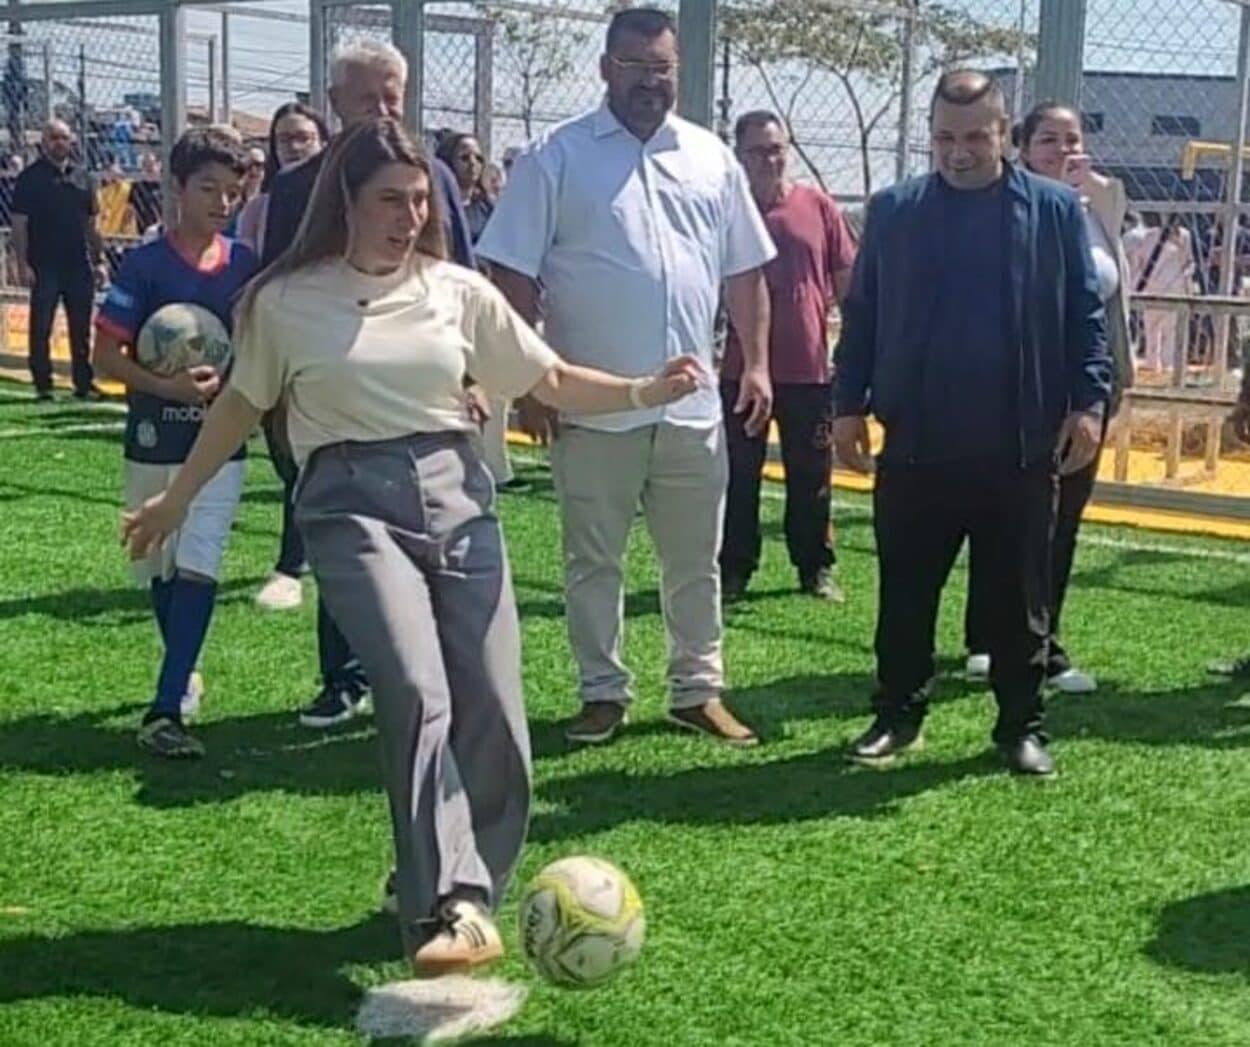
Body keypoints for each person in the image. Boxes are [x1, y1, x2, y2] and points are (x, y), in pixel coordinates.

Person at [121, 116, 704, 974]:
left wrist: (645, 388)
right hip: (346, 503)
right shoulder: (285, 301)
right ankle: (443, 909)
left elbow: (548, 377)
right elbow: (242, 405)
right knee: (414, 685)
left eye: (421, 199)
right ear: (346, 204)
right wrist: (176, 496)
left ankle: (466, 890)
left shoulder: (455, 291)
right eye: (390, 199)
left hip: (456, 495)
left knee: (496, 708)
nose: (408, 215)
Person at [478, 6, 775, 747]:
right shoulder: (557, 156)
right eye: (637, 67)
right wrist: (528, 380)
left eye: (664, 69)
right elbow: (508, 271)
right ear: (606, 68)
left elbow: (745, 273)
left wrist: (757, 362)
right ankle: (602, 692)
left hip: (693, 405)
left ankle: (696, 689)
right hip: (588, 404)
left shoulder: (711, 158)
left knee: (693, 561)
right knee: (592, 560)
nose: (652, 81)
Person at [832, 71, 1110, 776]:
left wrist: (1088, 402)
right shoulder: (894, 211)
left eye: (975, 137)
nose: (959, 152)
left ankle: (1020, 726)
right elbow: (861, 315)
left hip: (1020, 445)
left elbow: (1086, 315)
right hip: (919, 444)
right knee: (906, 594)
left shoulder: (1052, 211)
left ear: (1003, 131)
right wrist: (846, 407)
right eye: (944, 138)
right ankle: (898, 715)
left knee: (1021, 601)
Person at [259, 39, 478, 728]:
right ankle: (344, 677)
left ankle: (429, 679)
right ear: (334, 104)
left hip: (421, 393)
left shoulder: (432, 176)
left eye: (393, 96)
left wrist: (470, 375)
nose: (384, 110)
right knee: (345, 534)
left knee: (435, 536)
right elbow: (274, 292)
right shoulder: (297, 188)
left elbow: (463, 279)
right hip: (331, 398)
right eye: (367, 98)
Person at [92, 126, 258, 758]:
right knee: (159, 565)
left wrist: (231, 382)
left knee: (201, 559)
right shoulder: (144, 264)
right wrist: (164, 385)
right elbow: (106, 355)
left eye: (233, 192)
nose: (221, 203)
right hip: (152, 438)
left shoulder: (245, 266)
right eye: (208, 188)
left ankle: (164, 713)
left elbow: (258, 348)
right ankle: (181, 674)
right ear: (176, 188)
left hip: (220, 443)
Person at [962, 103, 1134, 696]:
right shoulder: (1012, 208)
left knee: (1063, 520)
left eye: (1073, 140)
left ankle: (1042, 641)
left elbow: (1107, 294)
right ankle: (988, 638)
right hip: (1023, 385)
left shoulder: (1095, 208)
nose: (1064, 151)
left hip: (1087, 386)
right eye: (1048, 140)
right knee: (1005, 514)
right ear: (1021, 147)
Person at [720, 110, 856, 604]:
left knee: (812, 476)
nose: (768, 160)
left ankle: (814, 568)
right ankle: (733, 569)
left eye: (776, 149)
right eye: (757, 151)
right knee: (737, 476)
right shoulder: (726, 209)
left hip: (808, 371)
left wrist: (853, 347)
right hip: (740, 372)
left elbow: (847, 281)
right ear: (739, 156)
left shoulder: (817, 206)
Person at [11, 119, 106, 401]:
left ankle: (83, 383)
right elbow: (19, 224)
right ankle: (43, 384)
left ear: (72, 141)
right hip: (44, 264)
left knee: (81, 328)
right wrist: (22, 263)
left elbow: (93, 224)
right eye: (53, 137)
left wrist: (99, 260)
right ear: (43, 142)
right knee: (41, 326)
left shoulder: (84, 178)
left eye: (64, 137)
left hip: (78, 265)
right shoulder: (30, 178)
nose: (59, 142)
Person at [235, 102, 329, 260]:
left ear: (323, 144)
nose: (294, 147)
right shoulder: (257, 209)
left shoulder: (343, 199)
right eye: (284, 140)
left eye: (304, 138)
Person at [1128, 214, 1194, 374]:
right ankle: (1153, 361)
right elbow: (1139, 259)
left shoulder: (1184, 236)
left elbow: (1188, 260)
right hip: (1154, 284)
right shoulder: (1150, 236)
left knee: (1170, 327)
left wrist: (1186, 278)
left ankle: (1168, 362)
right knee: (1152, 324)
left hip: (1174, 284)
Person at [436, 131, 494, 244]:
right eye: (464, 158)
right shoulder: (437, 206)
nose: (473, 163)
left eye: (478, 158)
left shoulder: (487, 207)